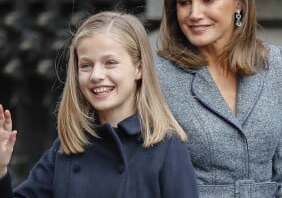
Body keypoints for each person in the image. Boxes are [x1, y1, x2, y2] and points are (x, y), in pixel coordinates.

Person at [0, 11, 198, 198]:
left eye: (110, 63)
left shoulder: (165, 147)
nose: (96, 76)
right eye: (86, 65)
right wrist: (1, 169)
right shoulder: (67, 147)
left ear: (139, 69)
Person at [155, 0, 282, 197]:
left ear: (238, 3)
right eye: (184, 2)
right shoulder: (161, 75)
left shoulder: (274, 64)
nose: (194, 13)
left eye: (208, 0)